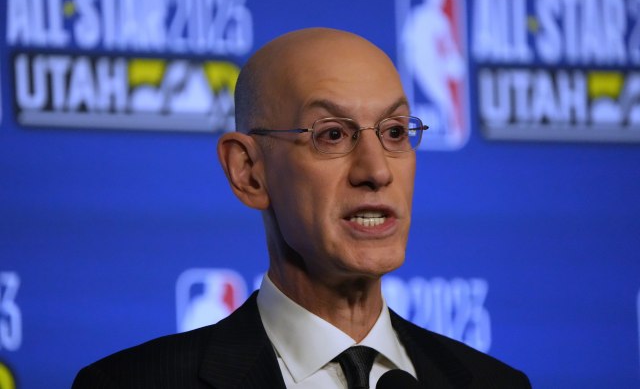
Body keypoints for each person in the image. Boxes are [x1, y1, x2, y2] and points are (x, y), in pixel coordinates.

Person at [72, 28, 531, 388]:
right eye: (332, 134)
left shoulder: (495, 384)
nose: (376, 171)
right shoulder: (130, 383)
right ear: (248, 172)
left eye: (394, 132)